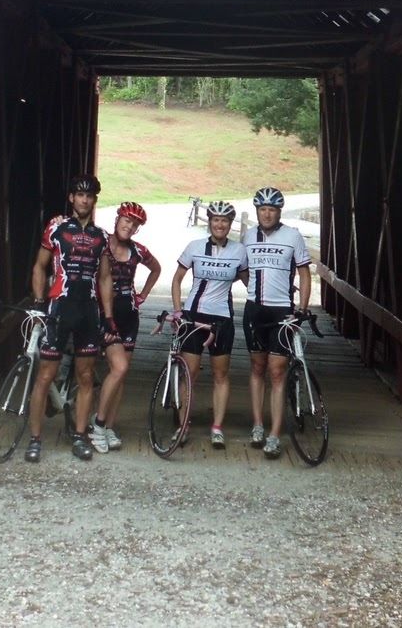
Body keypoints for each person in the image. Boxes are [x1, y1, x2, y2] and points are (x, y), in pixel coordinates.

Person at [26, 173, 114, 463]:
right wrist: (39, 303)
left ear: (94, 200)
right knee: (45, 375)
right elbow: (40, 266)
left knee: (86, 376)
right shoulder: (56, 226)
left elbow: (104, 278)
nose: (84, 200)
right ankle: (35, 439)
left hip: (87, 312)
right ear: (71, 198)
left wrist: (109, 317)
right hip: (59, 308)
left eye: (89, 196)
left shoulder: (101, 237)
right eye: (79, 194)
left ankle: (78, 436)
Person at [241, 186, 312, 459]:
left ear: (279, 212)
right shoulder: (248, 236)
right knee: (257, 367)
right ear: (257, 211)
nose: (267, 214)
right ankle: (258, 424)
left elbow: (305, 274)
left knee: (277, 372)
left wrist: (302, 308)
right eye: (262, 209)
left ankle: (274, 434)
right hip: (254, 311)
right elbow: (243, 270)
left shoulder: (292, 236)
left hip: (281, 311)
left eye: (271, 209)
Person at [169, 199, 247, 449]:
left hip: (222, 318)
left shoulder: (239, 251)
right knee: (189, 374)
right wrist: (179, 310)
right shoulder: (194, 247)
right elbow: (177, 279)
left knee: (220, 374)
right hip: (194, 316)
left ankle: (216, 428)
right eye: (215, 220)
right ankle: (183, 426)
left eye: (224, 221)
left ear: (230, 224)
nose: (220, 225)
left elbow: (249, 281)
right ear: (210, 222)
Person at [91, 201, 162, 450]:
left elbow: (157, 268)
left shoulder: (139, 251)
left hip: (129, 316)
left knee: (120, 373)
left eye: (135, 224)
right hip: (103, 315)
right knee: (117, 368)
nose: (129, 226)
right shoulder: (100, 242)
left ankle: (109, 426)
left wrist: (142, 295)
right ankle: (97, 424)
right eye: (126, 220)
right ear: (117, 219)